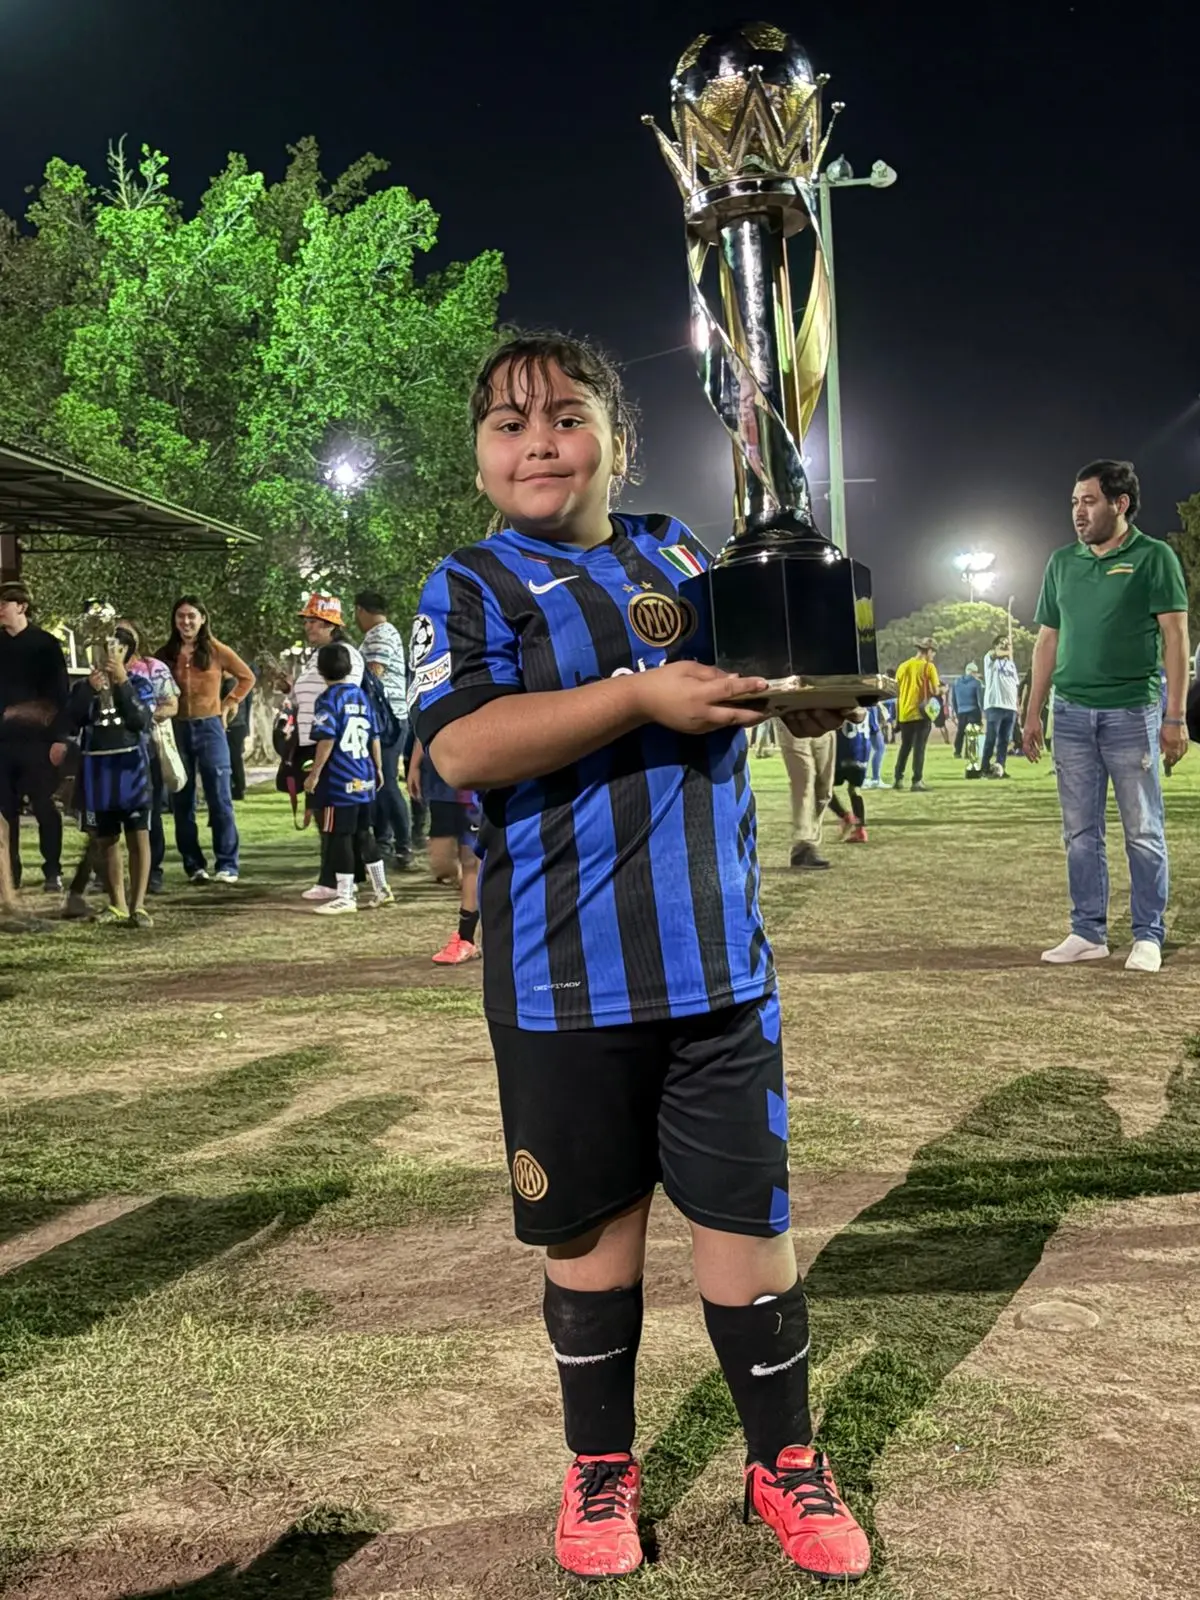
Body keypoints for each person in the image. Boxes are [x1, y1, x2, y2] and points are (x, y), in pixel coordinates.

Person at [410, 333, 868, 1584]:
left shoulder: (684, 558)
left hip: (718, 973)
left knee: (749, 1231)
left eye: (567, 416)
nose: (538, 443)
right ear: (479, 454)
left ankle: (783, 1459)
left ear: (619, 438)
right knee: (591, 1246)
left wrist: (805, 696)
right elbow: (463, 749)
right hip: (562, 983)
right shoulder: (468, 584)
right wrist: (635, 696)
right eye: (508, 424)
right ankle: (600, 1466)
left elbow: (756, 681)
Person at [1025, 459, 1190, 972]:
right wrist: (1033, 713)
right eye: (1075, 501)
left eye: (1089, 501)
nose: (1078, 511)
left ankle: (1148, 935)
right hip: (1071, 715)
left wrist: (1175, 716)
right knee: (1079, 833)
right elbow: (1047, 639)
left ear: (1121, 504)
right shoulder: (1061, 563)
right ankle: (1087, 932)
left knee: (1143, 830)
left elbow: (1175, 637)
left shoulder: (1154, 557)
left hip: (1132, 713)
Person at [62, 628, 157, 927]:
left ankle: (138, 906)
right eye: (102, 647)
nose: (107, 654)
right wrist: (89, 691)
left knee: (138, 834)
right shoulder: (83, 686)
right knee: (106, 839)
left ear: (125, 652)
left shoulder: (139, 683)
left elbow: (140, 720)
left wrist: (122, 682)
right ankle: (117, 904)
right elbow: (71, 722)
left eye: (114, 648)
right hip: (97, 768)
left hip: (131, 767)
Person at [158, 597, 253, 885]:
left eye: (192, 616)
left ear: (202, 619)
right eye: (181, 616)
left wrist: (229, 702)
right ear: (174, 620)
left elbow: (246, 677)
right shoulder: (165, 654)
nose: (186, 622)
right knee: (182, 800)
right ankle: (194, 866)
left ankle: (227, 864)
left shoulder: (216, 650)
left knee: (220, 797)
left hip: (210, 727)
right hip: (177, 729)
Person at [301, 642, 393, 916]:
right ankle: (381, 888)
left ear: (320, 670)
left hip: (340, 780)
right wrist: (378, 768)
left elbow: (327, 738)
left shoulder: (328, 699)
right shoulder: (362, 696)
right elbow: (374, 736)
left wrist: (315, 774)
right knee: (364, 833)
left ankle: (345, 895)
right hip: (364, 776)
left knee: (340, 835)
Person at [288, 592, 365, 902]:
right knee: (323, 815)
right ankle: (336, 876)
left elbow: (346, 698)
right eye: (307, 621)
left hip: (331, 745)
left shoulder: (345, 655)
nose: (307, 626)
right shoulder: (316, 655)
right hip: (312, 740)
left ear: (330, 624)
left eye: (313, 621)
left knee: (334, 817)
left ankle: (336, 880)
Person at [0, 581, 69, 892]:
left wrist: (59, 738)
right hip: (3, 742)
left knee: (44, 805)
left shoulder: (46, 645)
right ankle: (9, 873)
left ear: (22, 607)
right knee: (5, 810)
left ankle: (52, 870)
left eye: (4, 604)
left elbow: (59, 697)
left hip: (38, 742)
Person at [407, 733, 481, 963]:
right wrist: (414, 766)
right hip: (441, 785)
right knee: (442, 865)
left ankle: (466, 938)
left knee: (471, 861)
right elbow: (424, 728)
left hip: (473, 788)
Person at [118, 619, 178, 894]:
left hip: (145, 749)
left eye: (125, 635)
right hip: (109, 753)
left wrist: (143, 718)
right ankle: (104, 874)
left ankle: (152, 872)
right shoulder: (101, 671)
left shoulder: (153, 669)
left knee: (148, 814)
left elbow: (172, 705)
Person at [355, 589, 412, 867]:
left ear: (360, 610)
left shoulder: (380, 634)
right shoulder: (381, 633)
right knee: (379, 783)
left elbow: (374, 672)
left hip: (387, 719)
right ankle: (385, 843)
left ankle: (403, 845)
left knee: (386, 782)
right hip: (385, 717)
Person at [778, 725, 834, 869]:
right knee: (804, 782)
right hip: (791, 722)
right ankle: (803, 845)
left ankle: (810, 844)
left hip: (826, 722)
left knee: (825, 789)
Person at [892, 638, 940, 791]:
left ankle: (898, 778)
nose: (933, 656)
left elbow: (896, 691)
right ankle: (916, 781)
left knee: (905, 747)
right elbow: (935, 690)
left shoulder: (903, 666)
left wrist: (897, 717)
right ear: (929, 651)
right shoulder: (929, 667)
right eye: (933, 652)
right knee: (919, 748)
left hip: (904, 713)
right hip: (921, 713)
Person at [981, 634, 1020, 777]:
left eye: (1007, 643)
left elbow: (1014, 685)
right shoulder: (990, 660)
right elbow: (994, 654)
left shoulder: (1011, 665)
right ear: (995, 645)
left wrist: (1017, 704)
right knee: (991, 738)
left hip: (1010, 707)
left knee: (1004, 740)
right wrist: (1007, 651)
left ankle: (1000, 767)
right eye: (1002, 643)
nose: (1005, 645)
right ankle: (985, 767)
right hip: (995, 704)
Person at [827, 712, 870, 843]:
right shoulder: (869, 706)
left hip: (843, 749)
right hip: (862, 752)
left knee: (822, 787)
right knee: (854, 788)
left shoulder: (840, 702)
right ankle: (860, 830)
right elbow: (874, 728)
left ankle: (845, 817)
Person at [950, 662, 984, 759]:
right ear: (974, 672)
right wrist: (982, 712)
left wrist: (956, 711)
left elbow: (953, 699)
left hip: (961, 711)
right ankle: (969, 752)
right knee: (972, 732)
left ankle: (957, 752)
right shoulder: (977, 683)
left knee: (960, 732)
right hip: (973, 710)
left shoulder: (957, 682)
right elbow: (979, 699)